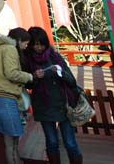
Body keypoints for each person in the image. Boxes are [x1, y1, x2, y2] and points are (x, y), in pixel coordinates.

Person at [24, 27, 84, 164]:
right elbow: (27, 85)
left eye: (42, 43)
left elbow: (72, 81)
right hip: (43, 106)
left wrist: (60, 72)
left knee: (70, 142)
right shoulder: (27, 61)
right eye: (35, 44)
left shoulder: (55, 56)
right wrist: (35, 77)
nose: (39, 47)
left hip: (63, 105)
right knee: (51, 142)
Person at [0, 27, 33, 164]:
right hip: (5, 96)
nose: (26, 46)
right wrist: (29, 76)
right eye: (25, 43)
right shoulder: (9, 49)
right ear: (18, 40)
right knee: (14, 139)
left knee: (9, 140)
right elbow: (12, 73)